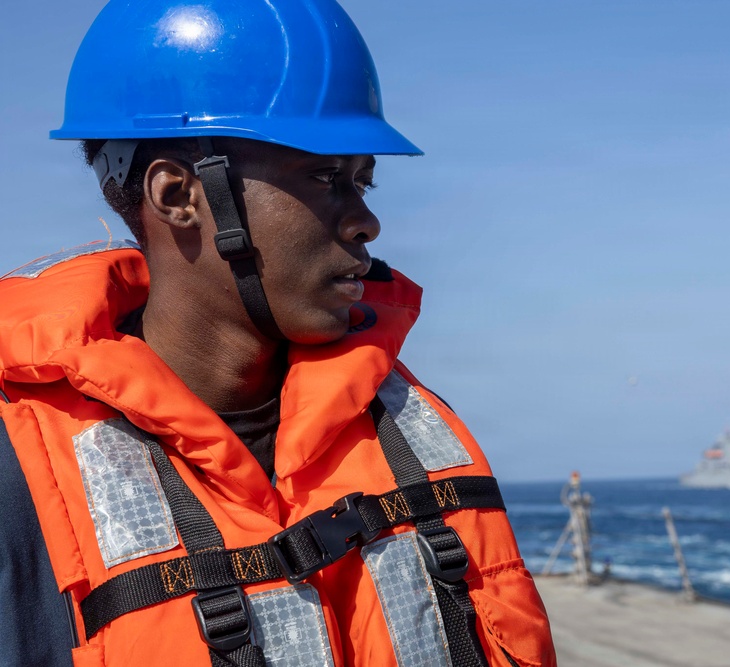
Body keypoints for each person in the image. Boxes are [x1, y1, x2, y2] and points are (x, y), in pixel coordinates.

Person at [0, 1, 555, 665]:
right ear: (179, 195)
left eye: (363, 180)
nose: (366, 222)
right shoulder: (19, 479)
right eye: (325, 177)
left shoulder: (421, 432)